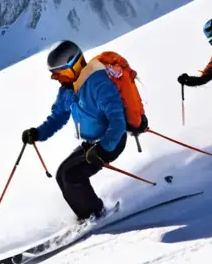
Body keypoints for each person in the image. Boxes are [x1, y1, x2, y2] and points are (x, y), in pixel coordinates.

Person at [21, 40, 148, 222]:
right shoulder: (68, 90)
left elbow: (117, 121)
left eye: (59, 73)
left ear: (75, 64)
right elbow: (58, 117)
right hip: (91, 144)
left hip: (111, 141)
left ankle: (95, 214)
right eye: (54, 75)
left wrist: (104, 148)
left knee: (72, 176)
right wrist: (38, 133)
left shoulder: (99, 83)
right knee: (62, 174)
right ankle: (87, 214)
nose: (56, 78)